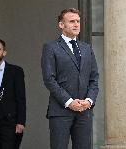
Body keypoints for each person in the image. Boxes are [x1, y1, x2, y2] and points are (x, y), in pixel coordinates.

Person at [41, 8, 99, 149]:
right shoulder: (51, 47)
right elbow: (49, 79)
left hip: (84, 111)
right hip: (60, 111)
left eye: (78, 21)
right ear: (61, 25)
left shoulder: (86, 48)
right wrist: (69, 101)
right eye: (72, 21)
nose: (76, 24)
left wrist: (89, 101)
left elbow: (94, 78)